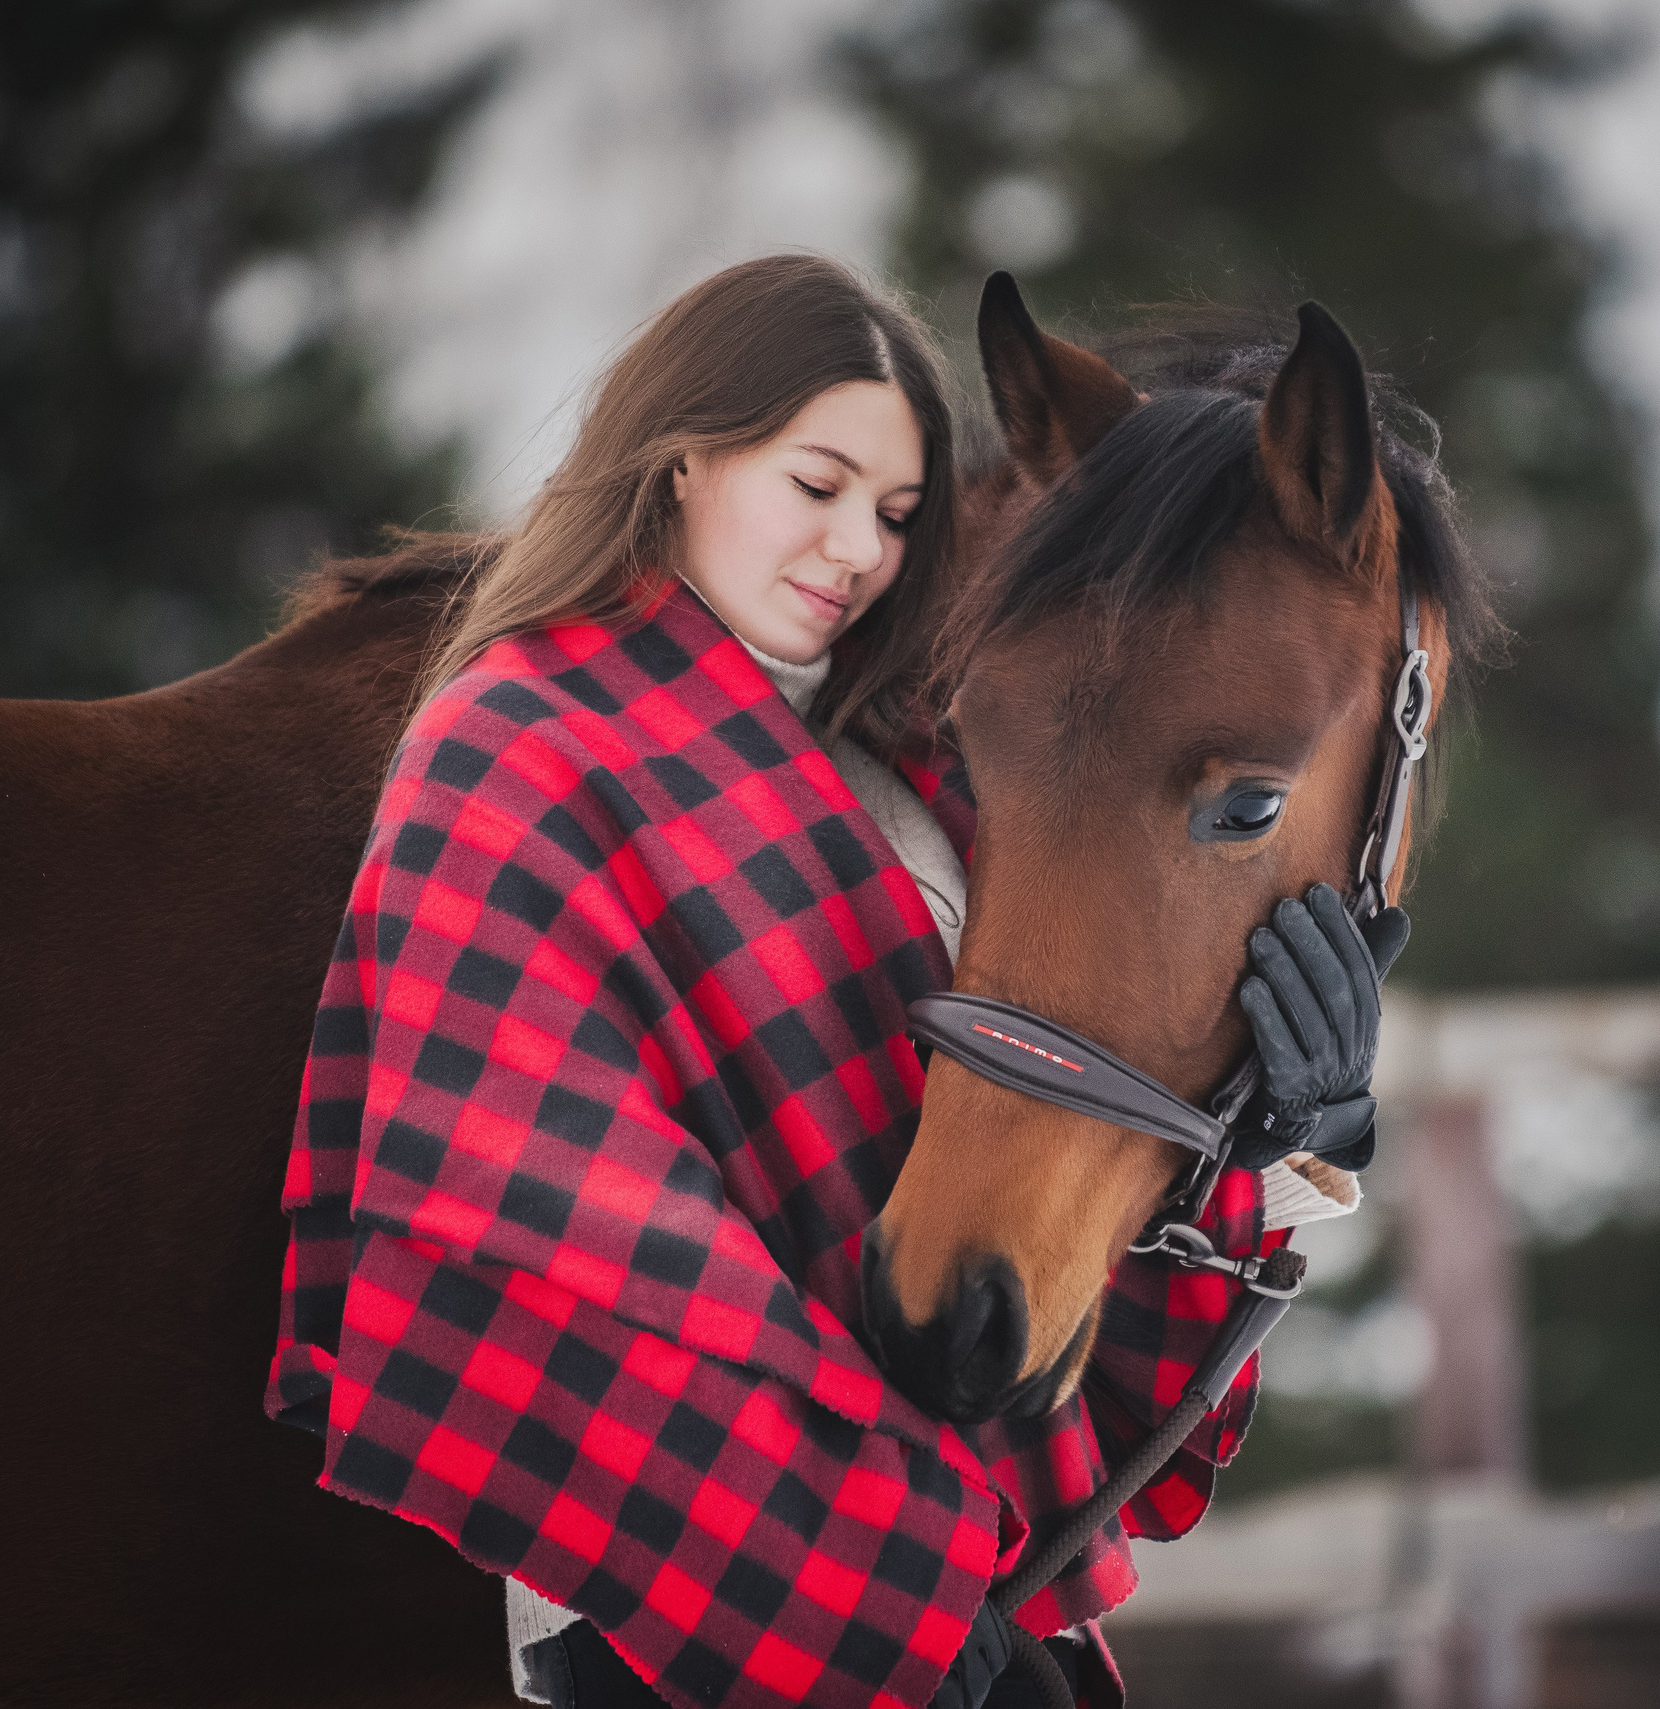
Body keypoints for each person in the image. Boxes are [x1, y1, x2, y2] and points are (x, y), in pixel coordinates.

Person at [263, 254, 1398, 1709]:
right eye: (817, 485)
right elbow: (560, 1235)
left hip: (966, 1601)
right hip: (683, 1622)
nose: (858, 548)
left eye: (900, 512)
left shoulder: (925, 765)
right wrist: (879, 1600)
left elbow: (1036, 1210)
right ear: (680, 464)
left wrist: (1257, 1138)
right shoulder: (517, 745)